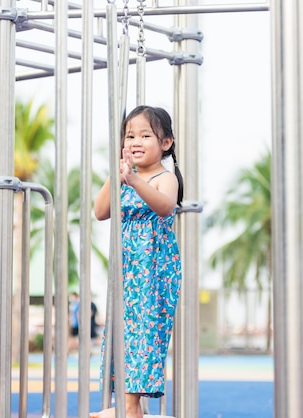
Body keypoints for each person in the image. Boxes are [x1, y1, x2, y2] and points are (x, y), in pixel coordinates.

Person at [91, 105, 184, 418]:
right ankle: (125, 405)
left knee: (144, 334)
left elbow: (165, 206)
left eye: (145, 135)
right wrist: (117, 175)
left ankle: (131, 408)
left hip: (154, 270)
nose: (135, 141)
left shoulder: (163, 177)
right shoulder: (123, 176)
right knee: (121, 332)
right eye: (130, 136)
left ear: (166, 143)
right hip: (128, 271)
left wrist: (133, 180)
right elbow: (100, 211)